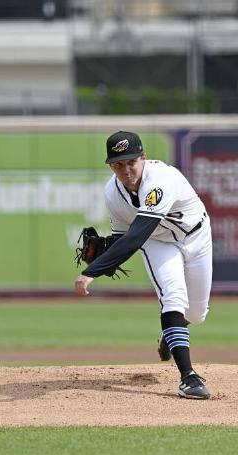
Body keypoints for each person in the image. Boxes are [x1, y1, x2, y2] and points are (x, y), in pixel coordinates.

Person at [74, 131, 213, 400]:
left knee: (196, 314)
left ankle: (172, 331)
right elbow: (122, 238)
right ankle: (189, 378)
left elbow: (135, 235)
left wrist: (92, 271)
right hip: (158, 242)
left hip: (196, 235)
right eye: (118, 164)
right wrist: (105, 250)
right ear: (110, 166)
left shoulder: (160, 180)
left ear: (143, 158)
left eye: (131, 162)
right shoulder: (112, 194)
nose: (126, 170)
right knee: (172, 296)